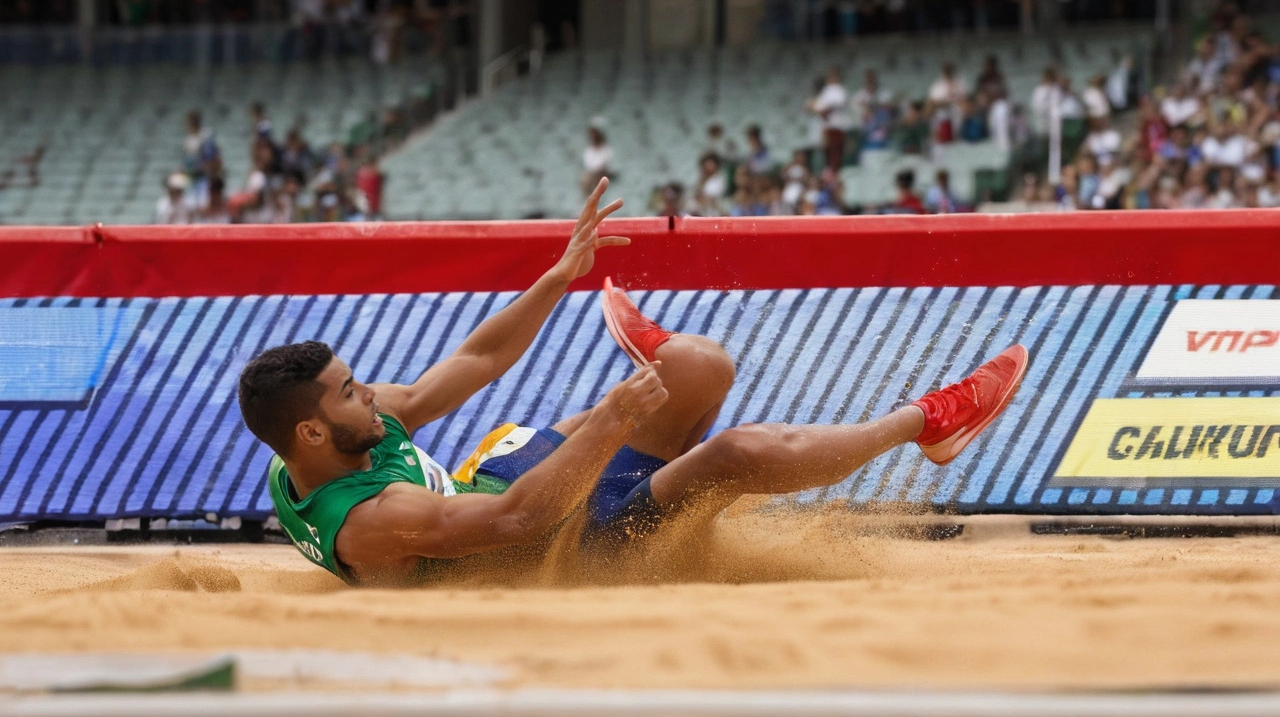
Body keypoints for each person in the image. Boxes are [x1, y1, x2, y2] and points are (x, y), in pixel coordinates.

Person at [238, 179, 1029, 587]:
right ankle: (930, 422)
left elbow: (470, 365)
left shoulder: (316, 439)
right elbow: (519, 522)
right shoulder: (373, 521)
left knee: (699, 366)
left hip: (499, 482)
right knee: (735, 451)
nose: (369, 393)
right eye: (350, 392)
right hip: (557, 546)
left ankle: (658, 362)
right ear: (312, 430)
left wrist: (557, 276)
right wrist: (610, 422)